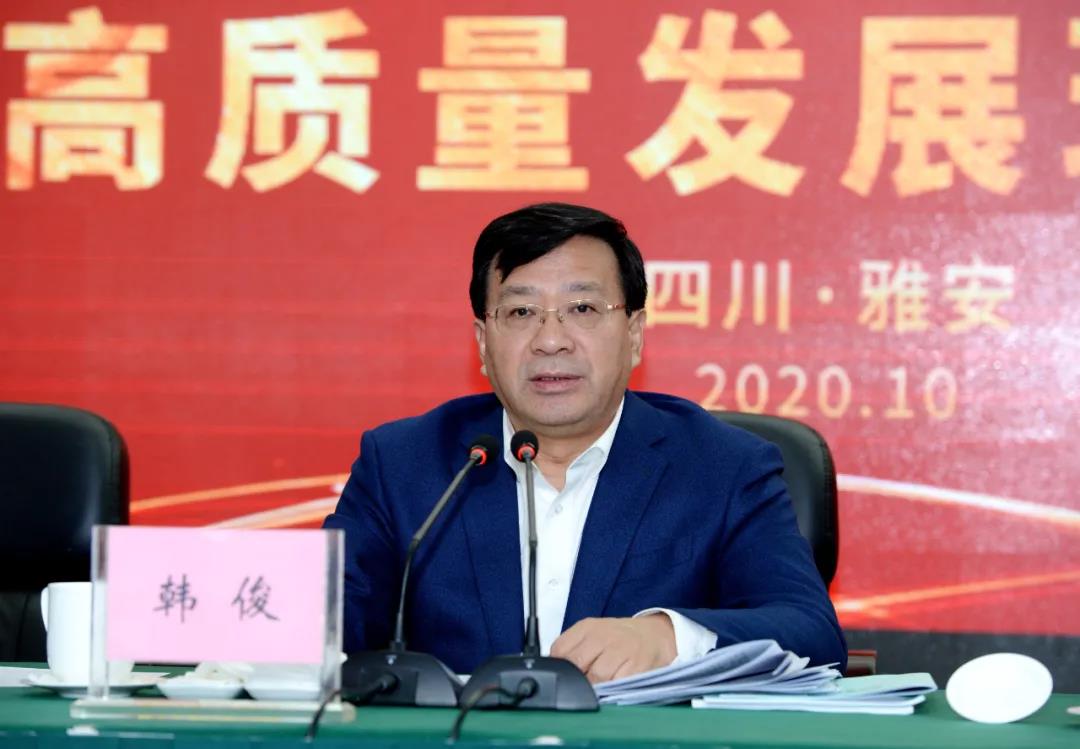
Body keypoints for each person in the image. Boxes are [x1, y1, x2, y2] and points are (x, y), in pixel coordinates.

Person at [324, 203, 846, 682]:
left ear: (634, 334)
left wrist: (666, 637)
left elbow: (812, 634)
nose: (551, 340)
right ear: (483, 343)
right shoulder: (404, 464)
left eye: (583, 309)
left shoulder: (724, 467)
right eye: (521, 313)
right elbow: (324, 620)